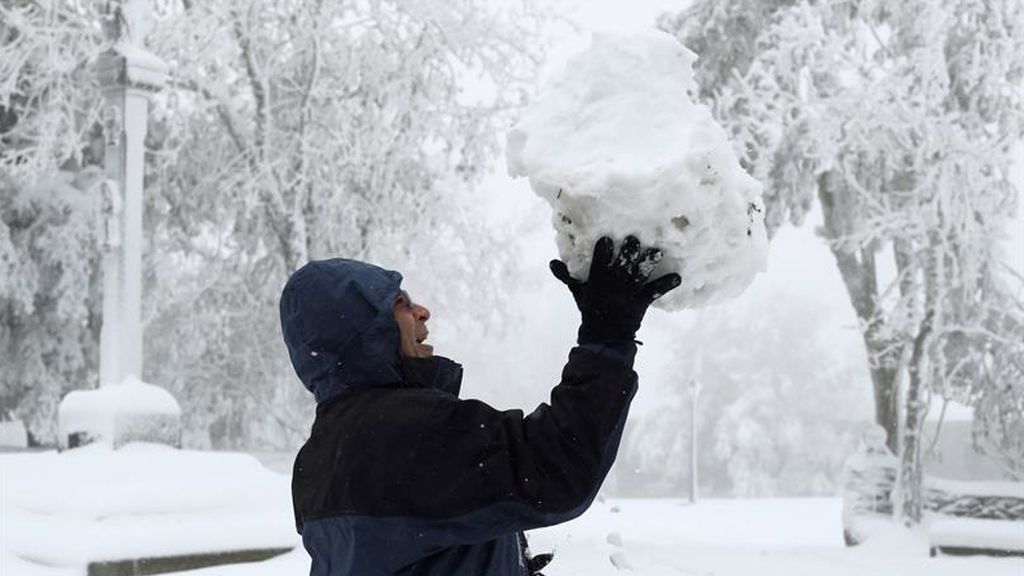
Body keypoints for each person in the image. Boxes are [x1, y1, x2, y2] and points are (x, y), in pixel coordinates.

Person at [279, 236, 681, 576]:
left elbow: (420, 549)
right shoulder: (407, 430)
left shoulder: (315, 462)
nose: (422, 311)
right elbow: (556, 468)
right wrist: (606, 339)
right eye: (400, 302)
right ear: (364, 333)